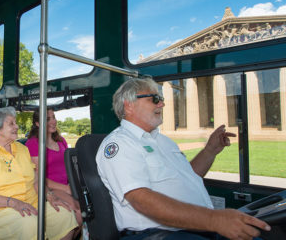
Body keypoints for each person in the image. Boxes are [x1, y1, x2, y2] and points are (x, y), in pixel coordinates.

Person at [96, 78, 270, 240]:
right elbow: (141, 200)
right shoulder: (119, 144)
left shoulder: (164, 141)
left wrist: (210, 151)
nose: (162, 103)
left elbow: (189, 176)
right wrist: (215, 219)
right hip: (156, 234)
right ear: (129, 106)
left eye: (161, 98)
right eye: (155, 98)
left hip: (195, 227)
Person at [0, 107, 78, 240]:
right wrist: (14, 203)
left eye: (15, 122)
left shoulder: (22, 149)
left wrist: (50, 195)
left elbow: (36, 180)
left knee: (64, 214)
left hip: (30, 201)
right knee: (30, 224)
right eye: (11, 124)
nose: (17, 126)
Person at [25, 108, 82, 225]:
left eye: (54, 117)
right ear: (38, 123)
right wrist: (66, 189)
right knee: (78, 210)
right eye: (47, 119)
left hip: (69, 185)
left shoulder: (61, 141)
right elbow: (38, 177)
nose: (53, 121)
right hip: (50, 188)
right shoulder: (33, 144)